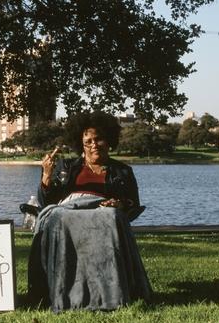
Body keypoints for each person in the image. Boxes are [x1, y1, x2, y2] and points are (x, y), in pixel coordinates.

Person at [27, 111, 152, 312]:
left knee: (110, 216)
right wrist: (47, 176)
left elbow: (133, 204)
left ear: (109, 140)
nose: (93, 144)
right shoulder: (66, 167)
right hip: (69, 213)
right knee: (58, 215)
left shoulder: (123, 171)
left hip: (105, 213)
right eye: (88, 141)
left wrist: (119, 204)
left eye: (98, 139)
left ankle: (109, 293)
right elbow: (47, 203)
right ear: (81, 144)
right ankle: (63, 292)